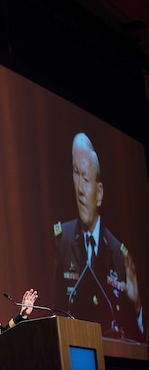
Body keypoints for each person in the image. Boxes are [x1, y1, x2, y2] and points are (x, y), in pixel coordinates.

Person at [53, 132, 144, 343]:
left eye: (85, 179)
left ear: (100, 193)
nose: (80, 190)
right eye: (76, 174)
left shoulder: (118, 253)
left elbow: (137, 341)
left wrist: (137, 304)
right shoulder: (61, 239)